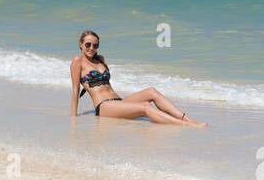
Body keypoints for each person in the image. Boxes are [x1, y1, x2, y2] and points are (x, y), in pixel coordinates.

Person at [70, 29, 207, 126]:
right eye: (88, 44)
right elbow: (76, 90)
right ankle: (185, 125)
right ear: (81, 45)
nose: (91, 48)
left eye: (95, 45)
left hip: (118, 101)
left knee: (151, 92)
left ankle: (188, 120)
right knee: (145, 108)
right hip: (104, 106)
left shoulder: (100, 60)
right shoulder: (78, 62)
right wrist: (73, 117)